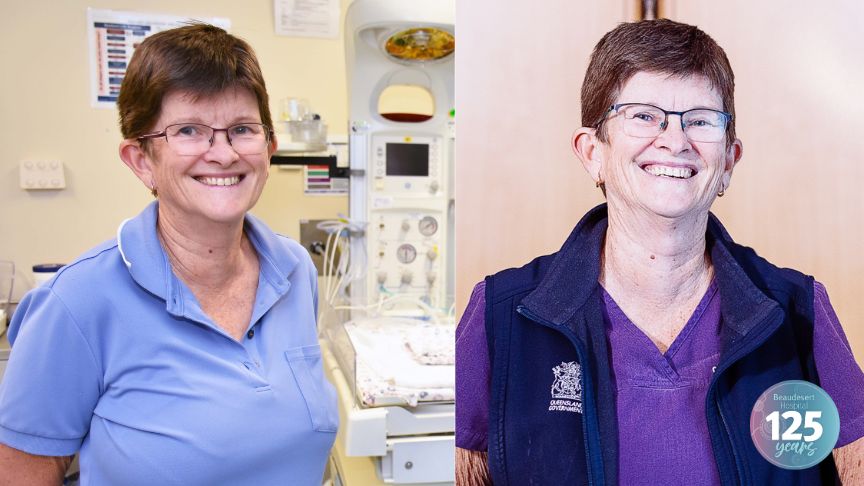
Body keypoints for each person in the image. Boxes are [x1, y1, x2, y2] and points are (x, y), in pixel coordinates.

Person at [455, 19, 864, 485]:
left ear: (729, 160)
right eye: (643, 115)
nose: (675, 140)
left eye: (701, 120)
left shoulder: (797, 312)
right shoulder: (503, 316)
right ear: (593, 152)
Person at [0, 24, 337, 485]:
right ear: (141, 160)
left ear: (269, 149)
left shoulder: (295, 270)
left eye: (242, 129)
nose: (222, 154)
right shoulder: (76, 302)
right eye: (189, 131)